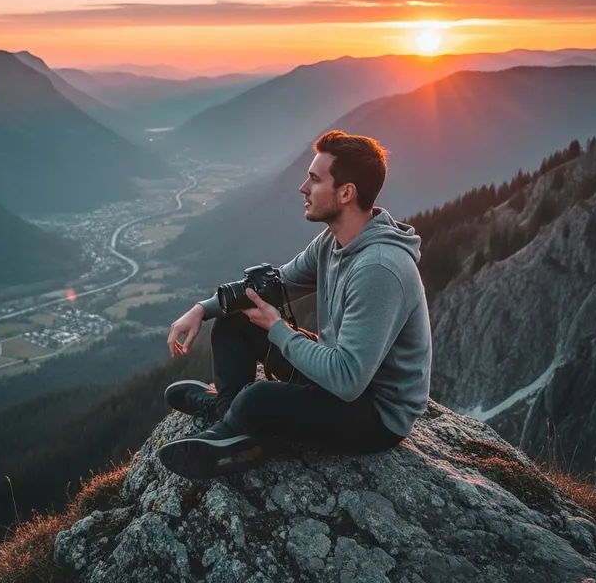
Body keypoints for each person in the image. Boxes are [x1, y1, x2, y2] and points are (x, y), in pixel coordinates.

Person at [157, 130, 432, 480]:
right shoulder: (333, 242)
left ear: (346, 193)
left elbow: (348, 379)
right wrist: (203, 309)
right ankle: (229, 415)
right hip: (339, 381)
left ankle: (238, 429)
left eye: (315, 180)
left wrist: (279, 330)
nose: (303, 187)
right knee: (236, 319)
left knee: (260, 397)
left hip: (375, 412)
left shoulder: (378, 269)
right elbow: (275, 285)